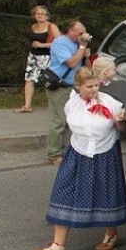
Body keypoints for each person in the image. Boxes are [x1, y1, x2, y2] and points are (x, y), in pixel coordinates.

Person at [32, 67, 126, 250]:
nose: (94, 90)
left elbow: (123, 129)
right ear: (78, 86)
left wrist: (119, 121)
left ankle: (111, 233)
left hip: (105, 152)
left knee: (106, 191)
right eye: (89, 86)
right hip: (78, 151)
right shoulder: (72, 103)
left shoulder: (110, 102)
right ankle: (57, 245)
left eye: (96, 85)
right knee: (64, 190)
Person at [46, 21, 92, 165]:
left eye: (84, 34)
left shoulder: (78, 45)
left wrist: (86, 56)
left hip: (73, 86)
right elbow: (71, 63)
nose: (83, 36)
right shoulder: (60, 42)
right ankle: (54, 154)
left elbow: (87, 68)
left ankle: (65, 151)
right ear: (71, 31)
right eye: (80, 33)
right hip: (60, 86)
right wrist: (82, 47)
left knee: (69, 120)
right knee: (58, 121)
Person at [17, 5, 61, 114]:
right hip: (33, 56)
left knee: (50, 80)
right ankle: (27, 106)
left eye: (42, 13)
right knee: (29, 79)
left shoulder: (52, 27)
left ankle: (56, 105)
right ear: (34, 15)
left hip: (48, 57)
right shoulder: (33, 27)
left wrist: (42, 45)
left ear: (47, 16)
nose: (40, 15)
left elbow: (60, 43)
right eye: (37, 13)